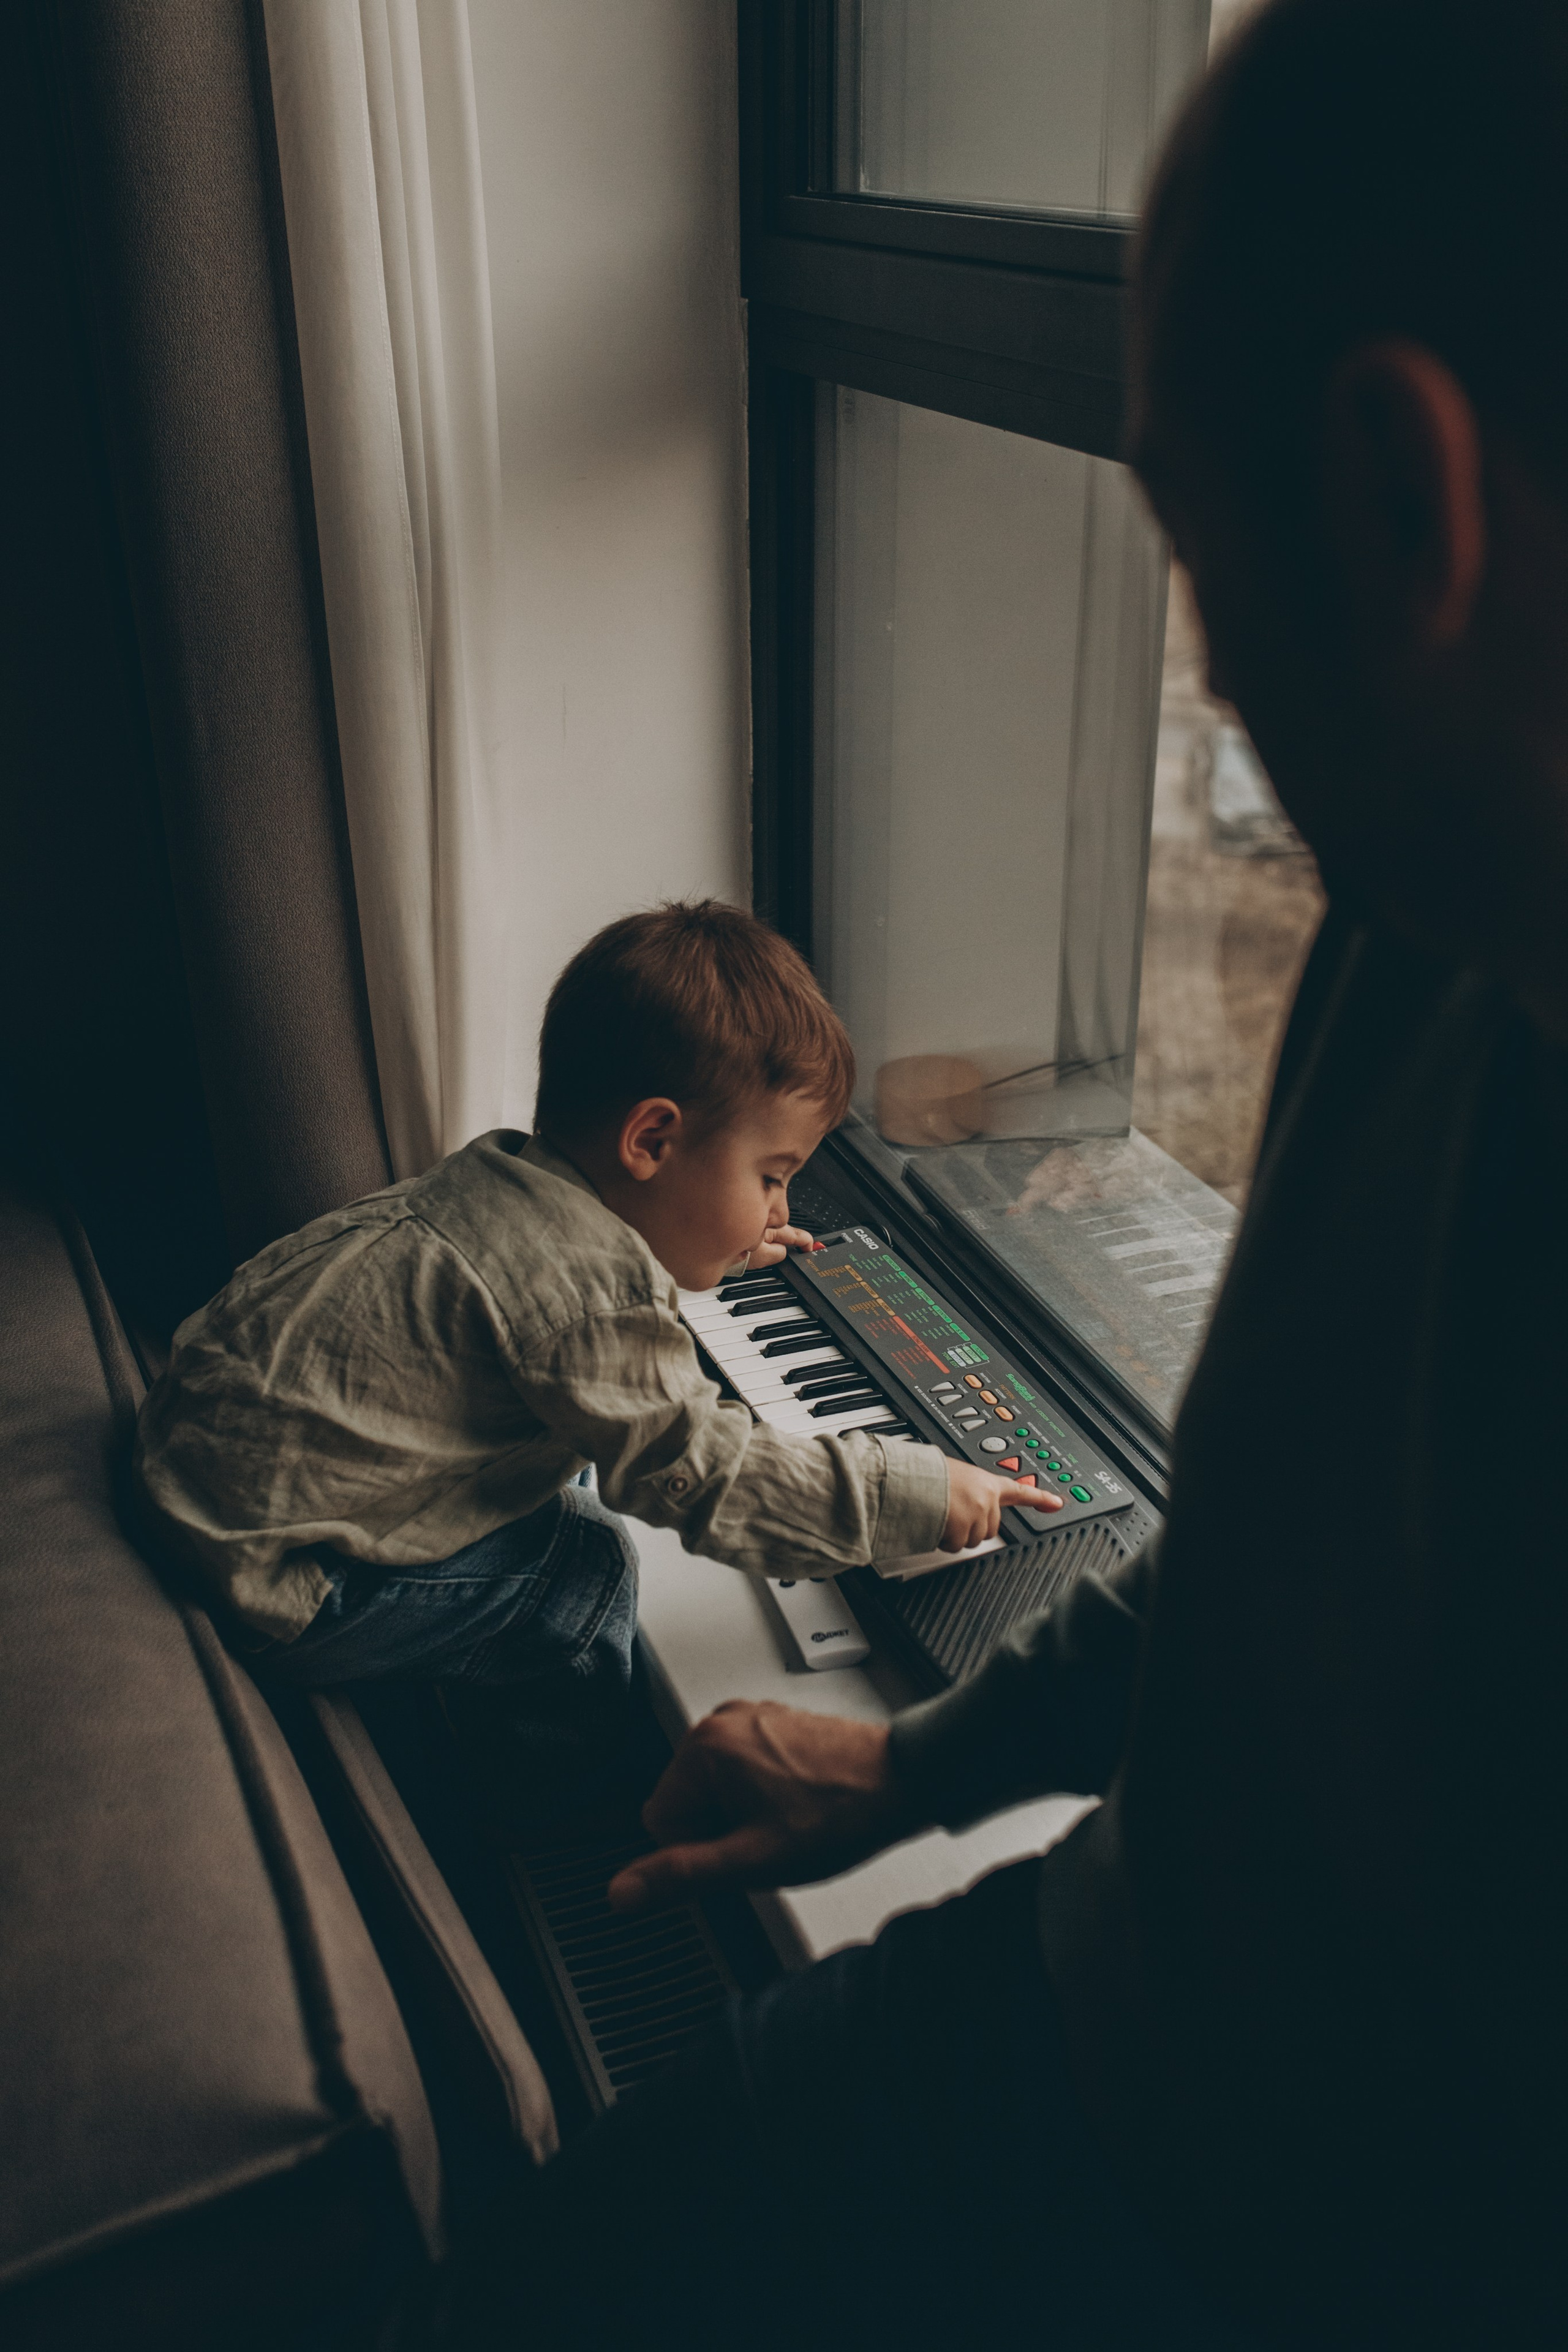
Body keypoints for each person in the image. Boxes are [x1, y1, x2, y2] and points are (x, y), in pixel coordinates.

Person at [448, 1, 1568, 2343]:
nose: (1212, 669)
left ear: (1405, 498)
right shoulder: (1426, 914)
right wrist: (919, 1768)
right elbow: (1274, 1538)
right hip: (1097, 1993)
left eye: (1193, 537)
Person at [133, 902, 1047, 1811]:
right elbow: (707, 1475)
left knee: (561, 1468)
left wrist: (728, 1239)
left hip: (197, 1472)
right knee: (583, 1565)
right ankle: (568, 1801)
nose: (779, 1207)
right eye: (771, 1176)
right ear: (651, 1140)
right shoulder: (589, 1297)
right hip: (286, 1581)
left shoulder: (502, 1178)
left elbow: (562, 1292)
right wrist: (911, 1491)